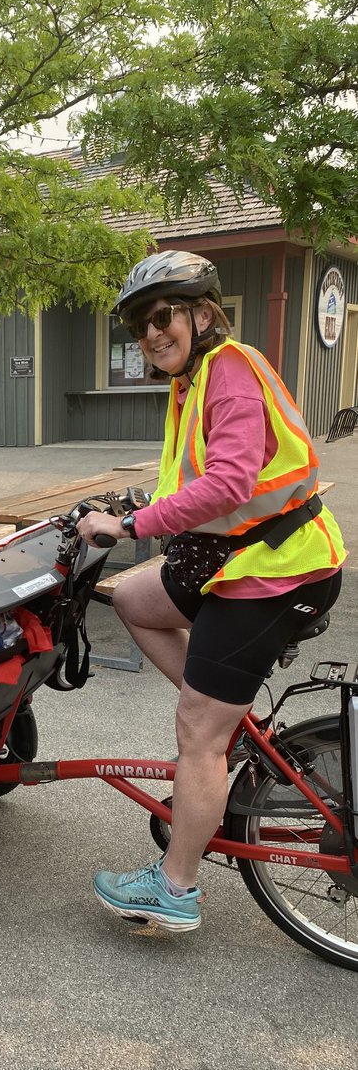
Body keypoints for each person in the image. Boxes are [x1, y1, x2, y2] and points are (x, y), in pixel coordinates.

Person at [77, 250, 347, 932]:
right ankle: (226, 720)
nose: (150, 334)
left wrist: (131, 524)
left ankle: (176, 888)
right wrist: (134, 500)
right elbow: (194, 480)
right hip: (239, 561)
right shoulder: (191, 383)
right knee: (134, 600)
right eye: (139, 326)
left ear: (202, 313)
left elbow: (227, 484)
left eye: (162, 316)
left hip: (276, 571)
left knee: (196, 735)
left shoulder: (229, 370)